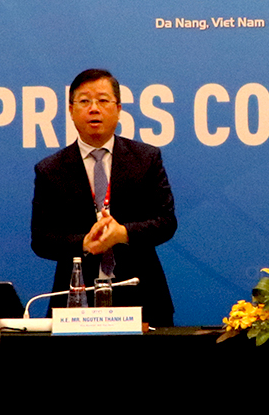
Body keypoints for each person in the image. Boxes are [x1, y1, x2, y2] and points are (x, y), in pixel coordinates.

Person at [31, 68, 177, 326]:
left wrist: (123, 233)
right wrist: (84, 243)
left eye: (103, 100)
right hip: (75, 299)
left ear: (118, 109)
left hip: (142, 297)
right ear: (71, 110)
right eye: (84, 101)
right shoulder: (50, 170)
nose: (94, 109)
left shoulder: (146, 159)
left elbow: (166, 222)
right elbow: (41, 240)